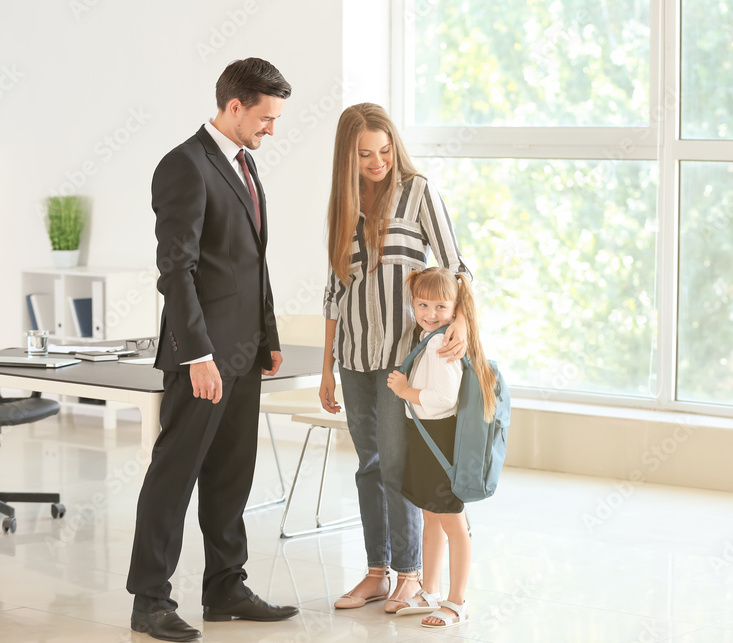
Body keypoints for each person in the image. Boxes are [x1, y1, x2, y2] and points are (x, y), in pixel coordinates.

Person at [126, 58, 298, 642]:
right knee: (174, 477)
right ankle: (149, 601)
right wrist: (197, 354)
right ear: (234, 107)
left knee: (231, 476)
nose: (271, 129)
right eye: (266, 118)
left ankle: (226, 587)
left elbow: (252, 262)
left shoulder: (245, 166)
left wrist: (268, 337)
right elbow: (177, 271)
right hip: (201, 357)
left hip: (245, 354)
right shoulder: (183, 166)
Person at [320, 103, 471, 613]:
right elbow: (334, 292)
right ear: (348, 154)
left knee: (394, 465)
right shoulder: (341, 203)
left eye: (384, 151)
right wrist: (326, 370)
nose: (377, 161)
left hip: (402, 359)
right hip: (354, 357)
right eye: (364, 154)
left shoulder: (418, 191)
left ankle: (410, 575)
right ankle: (376, 573)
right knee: (368, 465)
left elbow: (455, 267)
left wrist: (463, 326)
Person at [385, 267, 498, 628]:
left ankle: (456, 601)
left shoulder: (439, 343)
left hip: (439, 440)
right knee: (430, 515)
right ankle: (429, 591)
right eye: (422, 304)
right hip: (428, 439)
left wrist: (405, 392)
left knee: (452, 522)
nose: (430, 313)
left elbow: (442, 399)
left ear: (455, 308)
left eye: (440, 306)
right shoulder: (431, 335)